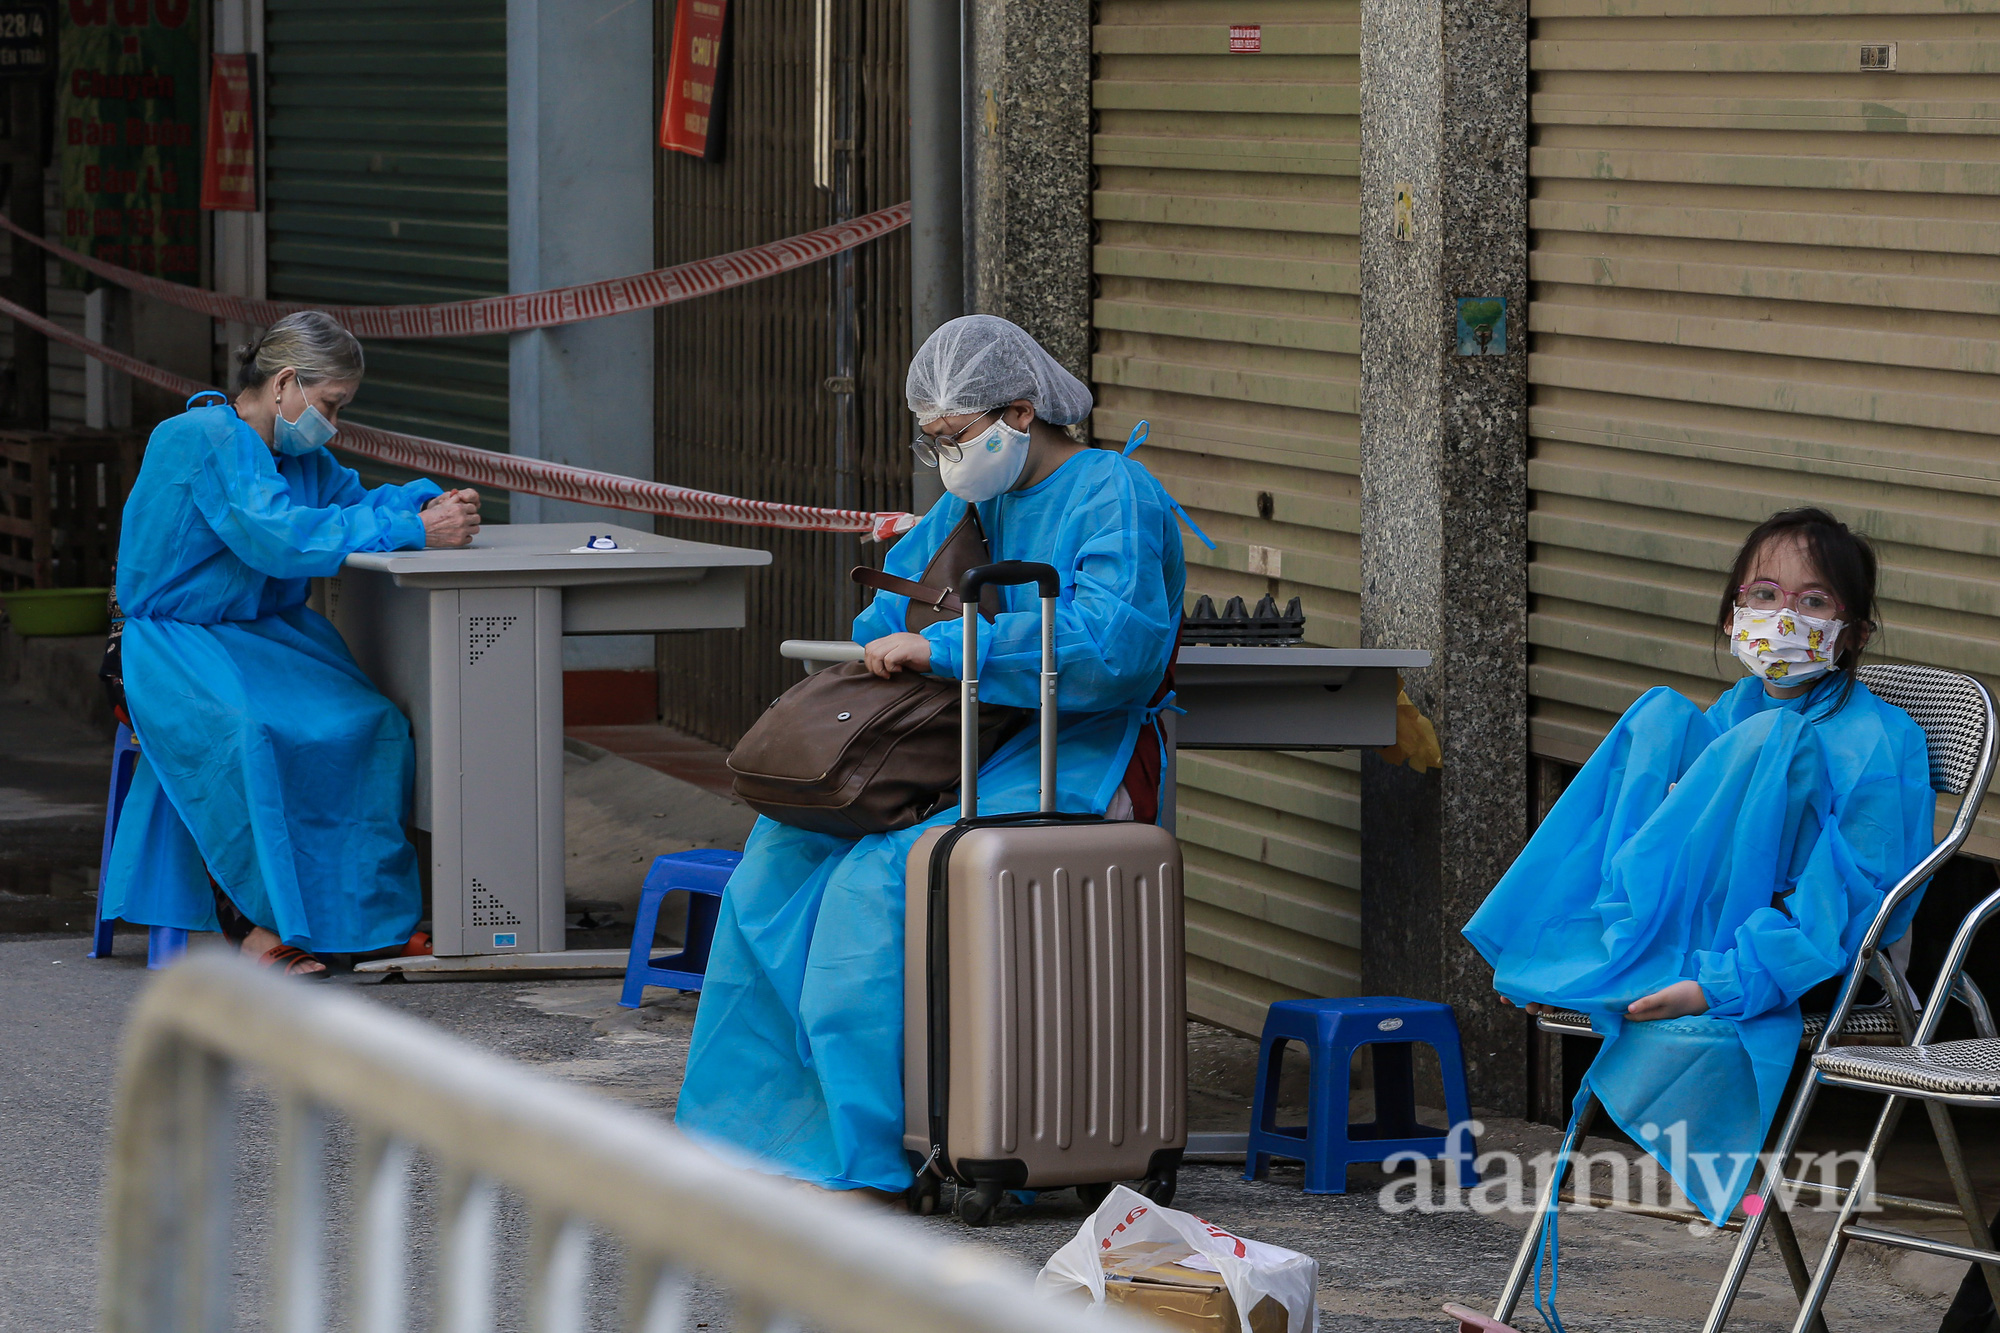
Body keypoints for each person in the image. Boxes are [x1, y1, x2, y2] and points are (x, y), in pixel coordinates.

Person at [675, 315, 1189, 1193]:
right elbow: (896, 611)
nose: (948, 457)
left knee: (882, 882)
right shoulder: (972, 502)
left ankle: (888, 1147)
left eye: (955, 438)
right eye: (936, 441)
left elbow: (1114, 648)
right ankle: (753, 1135)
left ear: (1020, 413)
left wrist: (954, 648)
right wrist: (895, 642)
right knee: (774, 861)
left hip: (1072, 745)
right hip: (957, 738)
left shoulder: (1115, 492)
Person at [1465, 508, 1936, 1224]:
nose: (1784, 616)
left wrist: (1709, 987)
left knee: (1772, 741)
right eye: (1766, 594)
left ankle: (1618, 964)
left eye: (1814, 602)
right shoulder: (1732, 712)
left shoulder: (1876, 740)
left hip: (1802, 967)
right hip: (1677, 937)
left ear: (1853, 634)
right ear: (1731, 615)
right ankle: (1589, 946)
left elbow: (1848, 907)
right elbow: (1669, 850)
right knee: (1657, 716)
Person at [98, 311, 482, 978]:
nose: (332, 424)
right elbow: (278, 536)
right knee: (248, 733)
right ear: (284, 385)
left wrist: (427, 504)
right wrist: (418, 531)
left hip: (264, 641)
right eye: (330, 405)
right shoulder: (200, 436)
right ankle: (252, 925)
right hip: (169, 645)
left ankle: (362, 919)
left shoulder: (303, 457)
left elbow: (359, 504)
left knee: (373, 723)